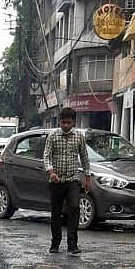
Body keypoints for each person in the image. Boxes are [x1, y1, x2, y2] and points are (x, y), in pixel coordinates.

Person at [43, 107, 92, 256]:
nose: (65, 125)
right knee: (56, 213)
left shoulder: (79, 137)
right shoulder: (52, 136)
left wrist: (88, 178)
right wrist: (51, 172)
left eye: (68, 122)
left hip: (73, 179)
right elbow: (46, 156)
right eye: (63, 122)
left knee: (75, 207)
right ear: (59, 121)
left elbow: (84, 157)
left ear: (73, 122)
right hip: (56, 180)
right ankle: (55, 243)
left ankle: (72, 244)